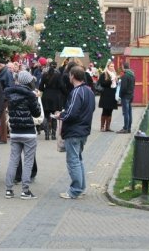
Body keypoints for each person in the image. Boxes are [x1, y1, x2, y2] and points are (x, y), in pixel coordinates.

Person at [55, 66, 96, 199]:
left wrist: (60, 116)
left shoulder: (76, 92)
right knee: (78, 159)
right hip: (84, 130)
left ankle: (75, 190)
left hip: (74, 131)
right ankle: (81, 187)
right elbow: (91, 109)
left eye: (69, 75)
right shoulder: (89, 91)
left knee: (73, 161)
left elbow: (71, 113)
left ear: (72, 76)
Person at [4, 70, 41, 200]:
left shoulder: (10, 94)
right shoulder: (30, 95)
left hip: (15, 132)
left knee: (13, 160)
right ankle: (25, 191)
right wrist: (36, 99)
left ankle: (9, 190)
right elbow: (36, 113)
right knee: (28, 161)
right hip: (29, 132)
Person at [39, 61, 67, 140]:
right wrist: (65, 93)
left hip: (46, 96)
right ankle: (54, 135)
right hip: (56, 97)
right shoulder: (58, 75)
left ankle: (47, 134)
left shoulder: (44, 75)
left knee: (47, 115)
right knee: (55, 115)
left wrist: (46, 89)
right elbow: (62, 86)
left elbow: (40, 87)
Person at [97, 60, 118, 132]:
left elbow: (115, 85)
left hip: (112, 94)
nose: (112, 67)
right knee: (105, 110)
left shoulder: (114, 74)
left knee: (110, 111)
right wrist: (111, 80)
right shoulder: (104, 74)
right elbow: (102, 83)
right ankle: (102, 127)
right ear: (108, 66)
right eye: (111, 66)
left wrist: (116, 81)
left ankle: (108, 127)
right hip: (106, 94)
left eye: (113, 66)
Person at [117, 61, 136, 134]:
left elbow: (123, 88)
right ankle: (129, 128)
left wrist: (120, 95)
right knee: (129, 112)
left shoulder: (125, 76)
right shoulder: (132, 75)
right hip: (131, 95)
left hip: (125, 96)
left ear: (123, 67)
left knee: (125, 113)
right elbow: (133, 85)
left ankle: (125, 128)